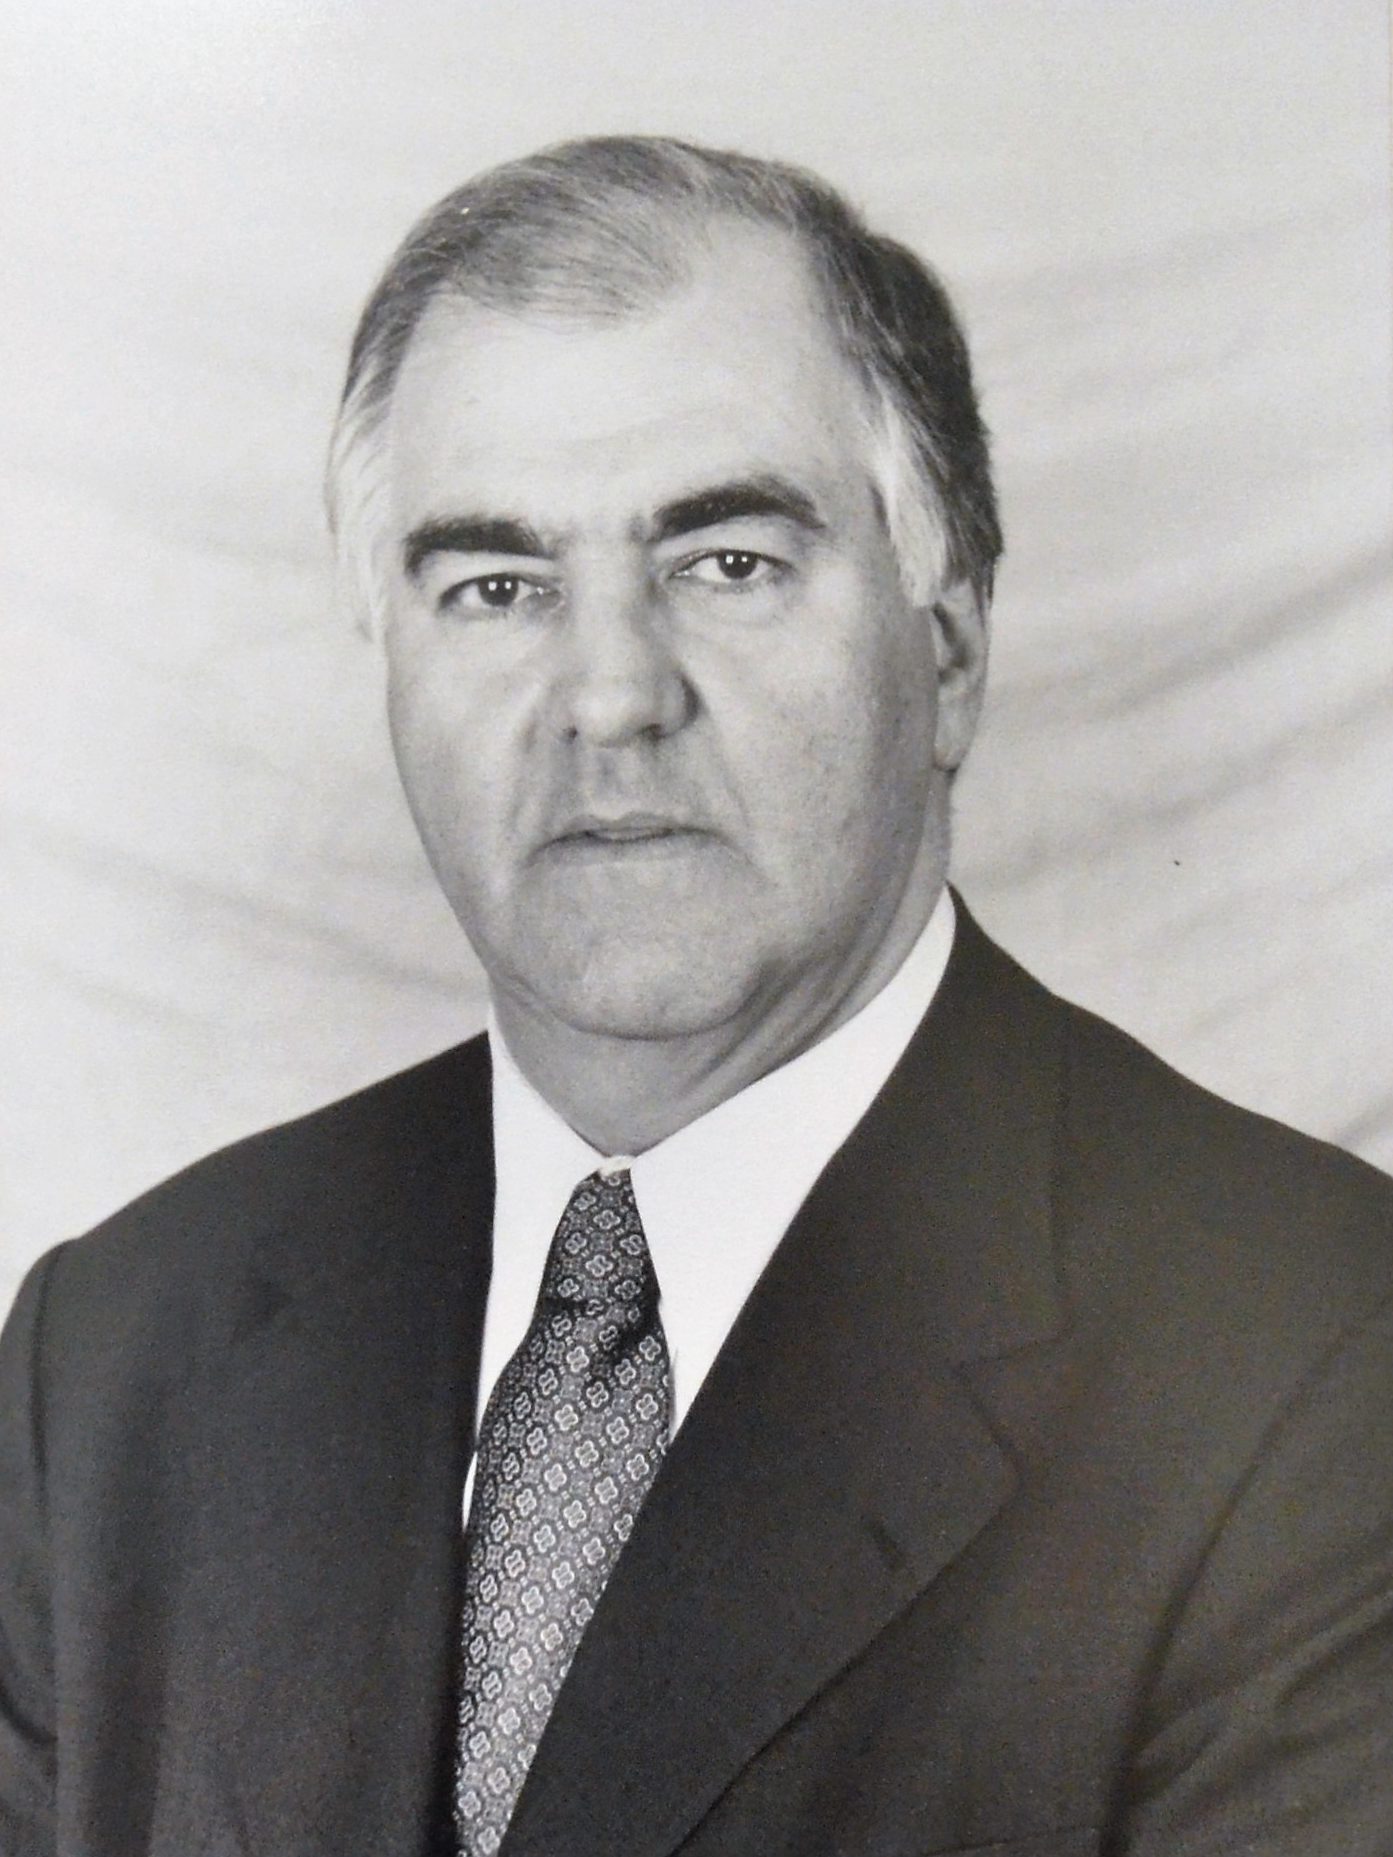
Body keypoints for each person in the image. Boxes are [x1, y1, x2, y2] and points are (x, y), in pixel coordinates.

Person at [2, 135, 1392, 1857]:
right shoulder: (114, 1357)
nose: (608, 696)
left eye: (725, 562)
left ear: (947, 647)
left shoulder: (1316, 1361)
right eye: (497, 588)